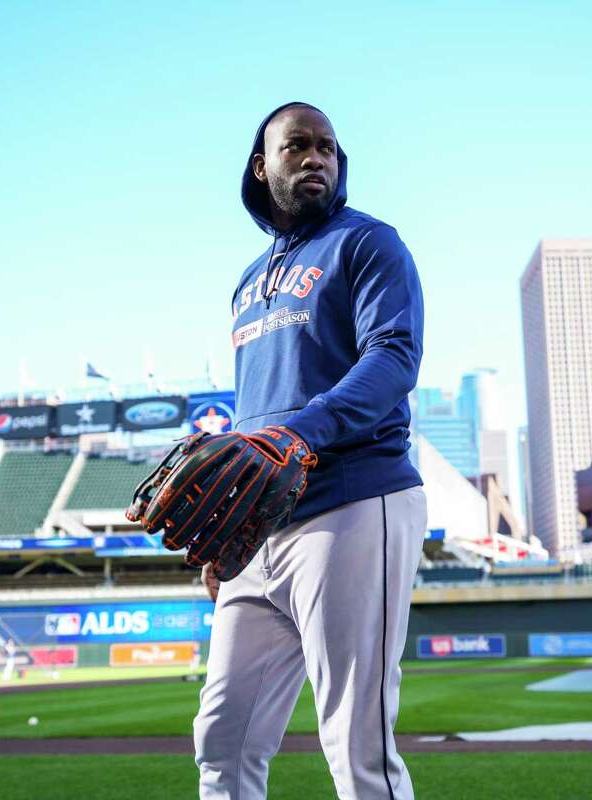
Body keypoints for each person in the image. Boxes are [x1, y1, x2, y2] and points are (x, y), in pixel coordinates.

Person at [193, 102, 427, 800]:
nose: (316, 157)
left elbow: (394, 357)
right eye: (297, 146)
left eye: (327, 146)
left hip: (355, 497)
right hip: (261, 528)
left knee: (358, 745)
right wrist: (224, 528)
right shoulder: (244, 283)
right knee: (222, 740)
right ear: (262, 167)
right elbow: (251, 416)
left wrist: (302, 432)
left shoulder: (368, 242)